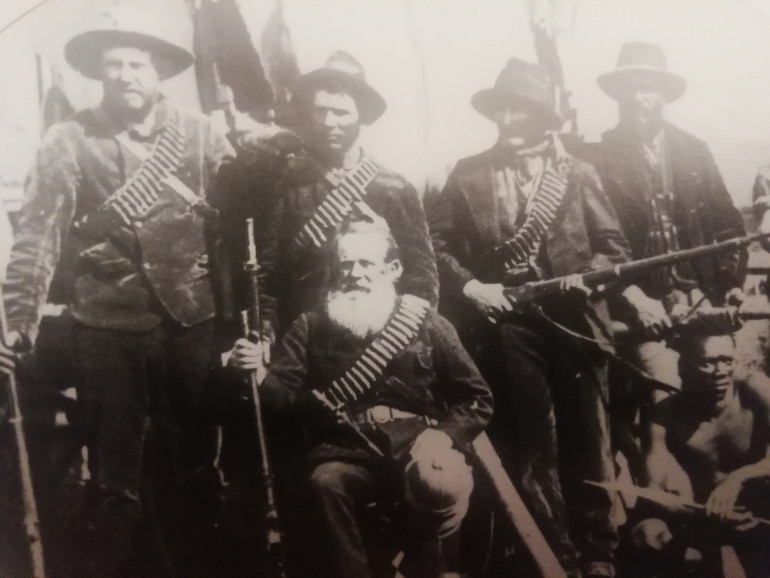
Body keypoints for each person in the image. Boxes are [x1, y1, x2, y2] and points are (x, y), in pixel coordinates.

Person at [0, 6, 234, 575]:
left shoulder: (202, 134)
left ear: (158, 74)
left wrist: (244, 320)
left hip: (190, 326)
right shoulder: (68, 139)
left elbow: (235, 229)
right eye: (114, 65)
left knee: (196, 467)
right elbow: (38, 238)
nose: (126, 75)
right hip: (106, 327)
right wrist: (18, 320)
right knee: (114, 477)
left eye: (137, 64)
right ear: (99, 75)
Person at [427, 57, 632, 578]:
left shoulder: (579, 173)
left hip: (575, 322)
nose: (508, 122)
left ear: (542, 117)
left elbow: (614, 247)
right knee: (531, 444)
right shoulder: (468, 172)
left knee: (589, 438)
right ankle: (554, 552)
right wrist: (473, 286)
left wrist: (590, 276)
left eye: (520, 112)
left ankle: (599, 551)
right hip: (507, 325)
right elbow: (437, 244)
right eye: (502, 111)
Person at [228, 218, 493, 578]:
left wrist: (442, 436)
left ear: (393, 269)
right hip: (346, 451)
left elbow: (477, 398)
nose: (354, 274)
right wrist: (259, 373)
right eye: (345, 265)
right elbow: (279, 396)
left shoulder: (425, 321)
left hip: (419, 447)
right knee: (326, 480)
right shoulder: (311, 325)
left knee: (440, 478)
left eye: (366, 263)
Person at [219, 50, 438, 343]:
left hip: (374, 342)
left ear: (361, 116)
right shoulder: (286, 184)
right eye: (320, 110)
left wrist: (405, 345)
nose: (328, 122)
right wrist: (266, 336)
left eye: (341, 112)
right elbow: (267, 275)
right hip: (303, 340)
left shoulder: (394, 188)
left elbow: (422, 281)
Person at [591, 42, 747, 394]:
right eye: (629, 88)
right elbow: (595, 243)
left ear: (664, 94)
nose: (638, 98)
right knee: (664, 388)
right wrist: (633, 297)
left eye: (647, 88)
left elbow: (729, 226)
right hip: (639, 307)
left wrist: (730, 284)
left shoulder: (695, 152)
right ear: (617, 96)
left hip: (704, 297)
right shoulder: (597, 158)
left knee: (727, 388)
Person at [634, 313, 770, 577]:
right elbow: (653, 489)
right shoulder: (667, 415)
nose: (721, 373)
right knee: (647, 533)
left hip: (763, 507)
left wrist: (739, 478)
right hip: (706, 515)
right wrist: (695, 512)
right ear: (684, 366)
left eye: (726, 361)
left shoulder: (754, 391)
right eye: (707, 363)